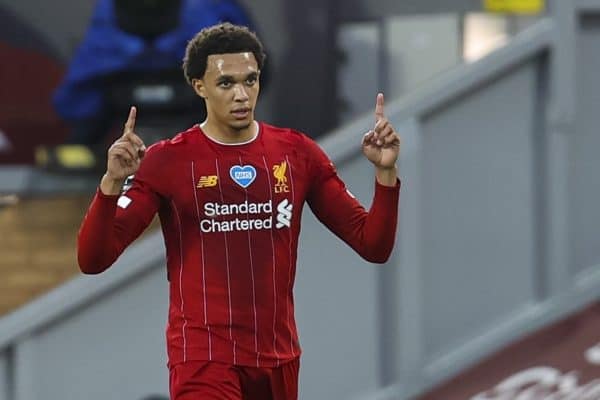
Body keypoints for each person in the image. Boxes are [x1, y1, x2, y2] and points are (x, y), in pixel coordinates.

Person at [77, 23, 401, 400]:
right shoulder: (169, 160)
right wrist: (112, 184)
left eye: (251, 80)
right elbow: (93, 259)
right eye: (226, 83)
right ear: (199, 86)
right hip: (204, 359)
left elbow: (373, 245)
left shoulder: (297, 153)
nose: (242, 95)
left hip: (278, 359)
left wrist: (385, 172)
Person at [40, 0, 255, 172]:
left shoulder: (207, 7)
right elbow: (75, 98)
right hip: (114, 108)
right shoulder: (107, 11)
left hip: (196, 106)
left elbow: (250, 68)